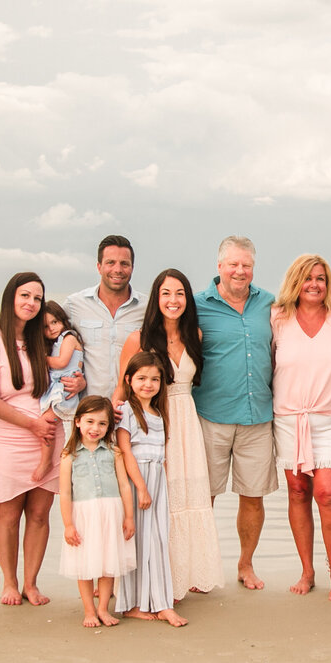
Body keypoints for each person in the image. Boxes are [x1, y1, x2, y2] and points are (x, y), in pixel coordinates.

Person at [116, 269, 224, 601]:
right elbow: (122, 389)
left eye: (179, 294)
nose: (173, 300)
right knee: (161, 499)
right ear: (156, 298)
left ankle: (188, 572)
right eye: (166, 293)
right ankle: (160, 579)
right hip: (154, 423)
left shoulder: (196, 335)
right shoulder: (139, 338)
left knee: (191, 498)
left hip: (188, 423)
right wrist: (113, 433)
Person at [193, 236, 276, 590]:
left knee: (252, 496)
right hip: (210, 415)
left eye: (246, 265)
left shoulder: (269, 303)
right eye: (233, 264)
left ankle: (245, 565)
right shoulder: (197, 304)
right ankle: (199, 566)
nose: (240, 271)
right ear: (219, 267)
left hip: (258, 416)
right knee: (203, 498)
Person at [0, 271, 64, 607]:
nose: (31, 303)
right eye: (25, 296)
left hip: (49, 435)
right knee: (9, 515)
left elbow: (65, 374)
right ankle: (9, 583)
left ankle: (31, 583)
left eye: (38, 298)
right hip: (10, 438)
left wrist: (75, 385)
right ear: (11, 297)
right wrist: (31, 424)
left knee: (40, 515)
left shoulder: (43, 339)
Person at [271, 254, 331, 599]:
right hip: (288, 419)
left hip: (329, 419)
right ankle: (307, 571)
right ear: (295, 282)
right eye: (307, 278)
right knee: (298, 492)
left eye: (320, 278)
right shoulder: (278, 317)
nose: (315, 284)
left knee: (328, 494)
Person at [114, 352, 187, 627]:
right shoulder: (127, 413)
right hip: (137, 482)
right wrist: (142, 489)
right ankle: (140, 604)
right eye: (142, 378)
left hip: (156, 480)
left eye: (155, 379)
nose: (148, 384)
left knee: (156, 540)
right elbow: (125, 452)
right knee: (139, 541)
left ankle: (155, 600)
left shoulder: (158, 412)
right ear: (129, 380)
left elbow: (161, 455)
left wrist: (161, 486)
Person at [57, 395, 136, 628]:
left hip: (111, 513)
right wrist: (68, 525)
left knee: (107, 562)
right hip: (84, 516)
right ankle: (89, 611)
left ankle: (103, 608)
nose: (95, 428)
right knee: (85, 563)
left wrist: (129, 517)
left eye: (102, 424)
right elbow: (65, 493)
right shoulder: (69, 455)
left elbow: (124, 485)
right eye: (90, 421)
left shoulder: (114, 452)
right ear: (78, 421)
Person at [64, 235, 145, 399]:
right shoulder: (74, 305)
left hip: (130, 410)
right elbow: (50, 342)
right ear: (99, 267)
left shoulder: (147, 308)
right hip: (89, 413)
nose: (118, 270)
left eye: (124, 264)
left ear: (132, 267)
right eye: (110, 263)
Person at [32, 300, 84, 482]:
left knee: (47, 422)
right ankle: (66, 458)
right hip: (58, 388)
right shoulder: (55, 342)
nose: (52, 329)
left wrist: (39, 358)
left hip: (65, 389)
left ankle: (46, 461)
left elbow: (62, 362)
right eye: (46, 326)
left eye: (55, 322)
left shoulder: (69, 337)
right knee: (55, 424)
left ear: (63, 320)